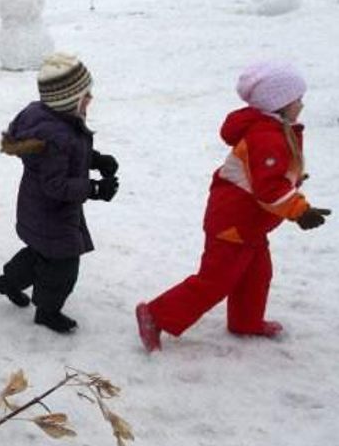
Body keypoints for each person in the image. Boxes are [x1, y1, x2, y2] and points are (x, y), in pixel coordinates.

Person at [135, 62, 328, 352]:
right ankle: (155, 314)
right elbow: (268, 188)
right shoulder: (267, 138)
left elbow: (269, 178)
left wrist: (293, 180)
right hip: (233, 224)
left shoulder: (274, 129)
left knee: (256, 274)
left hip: (250, 223)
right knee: (215, 281)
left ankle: (246, 321)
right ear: (280, 104)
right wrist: (299, 210)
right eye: (298, 99)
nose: (301, 104)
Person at [0, 53, 119, 333]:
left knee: (40, 254)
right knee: (62, 267)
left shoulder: (55, 123)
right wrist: (94, 188)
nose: (91, 99)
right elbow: (56, 186)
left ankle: (9, 281)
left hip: (38, 211)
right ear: (68, 99)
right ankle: (47, 312)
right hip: (51, 214)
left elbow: (72, 155)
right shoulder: (55, 136)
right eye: (86, 95)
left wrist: (96, 160)